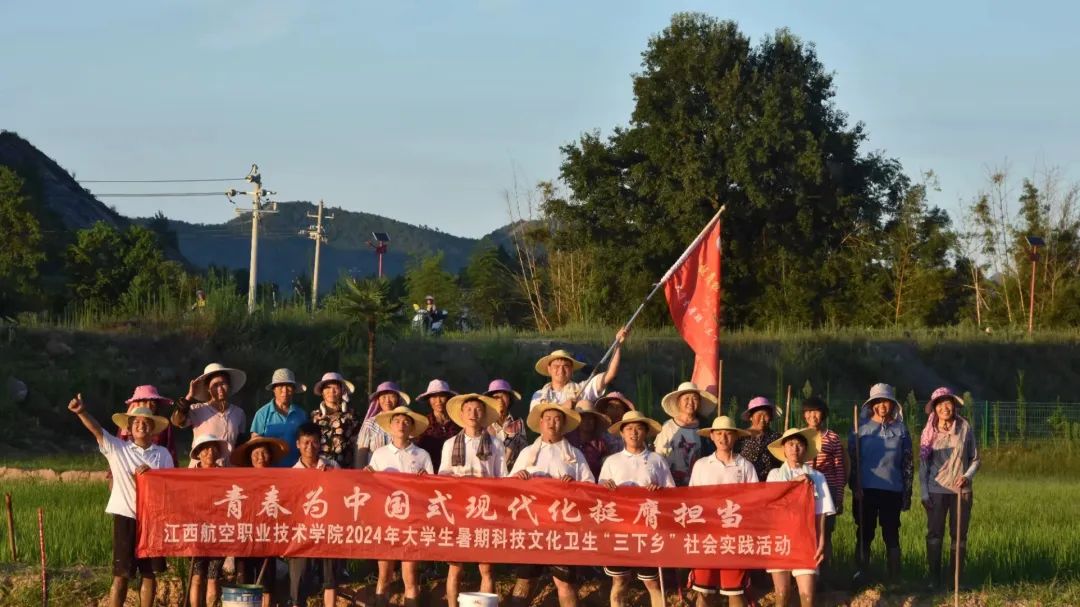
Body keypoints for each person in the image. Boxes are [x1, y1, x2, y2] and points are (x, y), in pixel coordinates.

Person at [67, 392, 173, 607]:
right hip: (126, 516)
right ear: (130, 428)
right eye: (137, 422)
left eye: (146, 422)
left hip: (152, 520)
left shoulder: (162, 454)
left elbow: (170, 487)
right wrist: (82, 412)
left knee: (149, 573)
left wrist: (151, 476)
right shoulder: (118, 448)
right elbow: (97, 431)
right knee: (121, 574)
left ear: (153, 428)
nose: (141, 425)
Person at [509, 402, 594, 607]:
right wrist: (518, 477)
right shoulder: (527, 453)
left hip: (563, 528)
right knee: (526, 580)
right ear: (540, 422)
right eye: (548, 418)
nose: (552, 423)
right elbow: (508, 485)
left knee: (564, 582)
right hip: (531, 527)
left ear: (563, 424)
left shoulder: (574, 455)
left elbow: (590, 486)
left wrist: (573, 485)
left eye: (557, 419)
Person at [439, 393, 508, 606]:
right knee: (455, 567)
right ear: (461, 414)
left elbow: (502, 478)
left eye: (478, 409)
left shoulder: (496, 444)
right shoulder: (450, 443)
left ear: (484, 414)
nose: (473, 413)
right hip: (458, 511)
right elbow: (443, 476)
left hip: (485, 511)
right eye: (468, 409)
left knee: (486, 567)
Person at [598, 410, 673, 607]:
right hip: (619, 531)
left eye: (638, 428)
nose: (633, 433)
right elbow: (599, 498)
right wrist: (605, 487)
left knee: (652, 582)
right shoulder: (612, 461)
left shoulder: (657, 460)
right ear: (622, 433)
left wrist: (659, 491)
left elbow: (672, 494)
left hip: (648, 531)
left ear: (646, 432)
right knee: (620, 580)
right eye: (629, 428)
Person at [365, 405, 432, 607]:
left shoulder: (422, 455)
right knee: (384, 574)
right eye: (397, 421)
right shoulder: (379, 454)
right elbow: (371, 488)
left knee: (410, 576)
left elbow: (432, 491)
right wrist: (367, 476)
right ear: (390, 426)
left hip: (412, 522)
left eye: (406, 422)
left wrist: (426, 480)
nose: (401, 425)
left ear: (412, 427)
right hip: (386, 522)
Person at [687, 416, 757, 607]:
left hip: (734, 537)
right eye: (718, 433)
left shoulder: (746, 466)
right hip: (706, 537)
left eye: (728, 433)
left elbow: (755, 502)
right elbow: (692, 501)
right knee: (704, 590)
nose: (723, 438)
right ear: (711, 436)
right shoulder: (701, 465)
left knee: (735, 590)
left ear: (735, 437)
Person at [849, 383, 913, 584]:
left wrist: (907, 492)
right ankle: (862, 574)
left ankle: (894, 578)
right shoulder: (860, 428)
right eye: (878, 402)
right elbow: (852, 461)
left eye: (886, 401)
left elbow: (907, 462)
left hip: (892, 490)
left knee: (891, 533)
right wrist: (855, 486)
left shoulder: (901, 429)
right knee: (864, 533)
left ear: (892, 404)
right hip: (865, 490)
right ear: (871, 405)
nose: (882, 406)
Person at [919, 387, 980, 590]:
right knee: (934, 534)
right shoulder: (929, 432)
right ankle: (933, 580)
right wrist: (924, 493)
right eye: (940, 404)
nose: (945, 408)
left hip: (961, 491)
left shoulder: (965, 428)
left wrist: (967, 476)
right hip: (936, 490)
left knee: (959, 535)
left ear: (954, 406)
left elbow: (975, 459)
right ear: (934, 408)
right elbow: (923, 465)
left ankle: (955, 581)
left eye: (948, 403)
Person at [766, 428, 834, 607]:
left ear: (805, 448)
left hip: (805, 540)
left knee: (808, 596)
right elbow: (771, 501)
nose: (794, 448)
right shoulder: (774, 475)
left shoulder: (817, 477)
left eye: (799, 444)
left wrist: (821, 541)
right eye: (790, 444)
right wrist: (795, 482)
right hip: (779, 539)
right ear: (784, 448)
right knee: (782, 594)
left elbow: (821, 512)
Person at [231, 436, 290, 607]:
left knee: (267, 581)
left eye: (264, 453)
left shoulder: (278, 479)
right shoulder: (240, 479)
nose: (260, 457)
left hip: (267, 536)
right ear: (249, 457)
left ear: (270, 456)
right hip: (245, 537)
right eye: (256, 454)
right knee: (244, 578)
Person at [288, 422, 340, 607]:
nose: (310, 447)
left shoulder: (332, 465)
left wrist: (331, 477)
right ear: (298, 444)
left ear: (320, 443)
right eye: (306, 442)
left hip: (327, 530)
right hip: (302, 533)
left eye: (315, 442)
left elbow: (343, 494)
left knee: (330, 579)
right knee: (299, 579)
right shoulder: (292, 473)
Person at [802, 396, 846, 580]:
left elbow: (839, 469)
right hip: (803, 493)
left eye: (816, 411)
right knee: (804, 533)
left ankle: (825, 574)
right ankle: (806, 573)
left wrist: (839, 497)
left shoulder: (833, 438)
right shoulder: (799, 436)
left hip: (827, 492)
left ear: (824, 414)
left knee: (825, 533)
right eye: (808, 411)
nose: (812, 415)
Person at [529, 327, 628, 410]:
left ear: (572, 370)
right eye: (556, 366)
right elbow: (537, 419)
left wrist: (618, 345)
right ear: (549, 369)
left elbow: (610, 374)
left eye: (566, 366)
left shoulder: (582, 389)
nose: (561, 370)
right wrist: (563, 407)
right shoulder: (539, 396)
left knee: (584, 405)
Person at [172, 362, 248, 464]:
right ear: (208, 389)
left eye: (223, 384)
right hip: (201, 469)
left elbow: (239, 443)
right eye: (215, 385)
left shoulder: (239, 413)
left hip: (228, 469)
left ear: (229, 386)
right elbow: (176, 421)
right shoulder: (197, 409)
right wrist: (189, 396)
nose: (220, 389)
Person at [188, 434, 230, 607]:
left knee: (213, 576)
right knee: (196, 576)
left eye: (213, 448)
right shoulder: (188, 476)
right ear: (198, 453)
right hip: (195, 531)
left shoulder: (225, 475)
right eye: (205, 449)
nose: (209, 452)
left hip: (218, 531)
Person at [654, 381, 718, 486]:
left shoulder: (705, 427)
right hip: (670, 483)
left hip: (698, 483)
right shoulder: (668, 427)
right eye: (686, 398)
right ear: (679, 402)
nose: (690, 402)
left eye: (695, 399)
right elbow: (658, 456)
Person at [249, 368, 308, 467]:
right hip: (269, 470)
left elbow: (307, 443)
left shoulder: (301, 414)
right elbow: (255, 446)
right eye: (280, 386)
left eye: (288, 386)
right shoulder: (262, 414)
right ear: (274, 389)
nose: (284, 390)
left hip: (296, 469)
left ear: (294, 390)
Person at [116, 385, 178, 467]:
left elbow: (171, 451)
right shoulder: (125, 425)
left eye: (153, 403)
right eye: (144, 402)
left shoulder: (165, 426)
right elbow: (119, 448)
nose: (148, 406)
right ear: (135, 404)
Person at [309, 372, 360, 469]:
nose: (332, 391)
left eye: (336, 388)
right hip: (320, 468)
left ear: (342, 391)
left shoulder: (351, 414)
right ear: (322, 392)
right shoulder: (314, 416)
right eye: (327, 388)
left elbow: (358, 444)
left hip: (345, 468)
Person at [355, 381, 411, 468]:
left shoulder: (406, 422)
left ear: (398, 398)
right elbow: (362, 452)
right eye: (384, 397)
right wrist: (361, 472)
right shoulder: (370, 423)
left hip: (400, 471)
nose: (387, 400)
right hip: (376, 472)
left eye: (391, 396)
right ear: (378, 399)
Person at [414, 379, 461, 471]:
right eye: (434, 397)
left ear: (448, 398)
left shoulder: (458, 423)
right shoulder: (423, 423)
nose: (438, 401)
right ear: (429, 400)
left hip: (454, 471)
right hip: (429, 471)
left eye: (442, 396)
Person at [736, 396, 783, 482]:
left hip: (771, 483)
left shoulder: (777, 437)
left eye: (766, 415)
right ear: (751, 417)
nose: (762, 419)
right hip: (746, 482)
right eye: (759, 415)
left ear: (771, 417)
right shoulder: (740, 437)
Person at [484, 378, 528, 470]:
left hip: (513, 472)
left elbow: (524, 450)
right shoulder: (484, 423)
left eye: (503, 396)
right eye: (496, 397)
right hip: (489, 472)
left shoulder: (518, 422)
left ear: (509, 399)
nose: (500, 400)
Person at [565, 400, 612, 479]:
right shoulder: (567, 440)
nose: (587, 421)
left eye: (591, 418)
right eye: (584, 417)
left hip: (591, 484)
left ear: (595, 421)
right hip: (568, 484)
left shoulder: (600, 444)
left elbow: (607, 469)